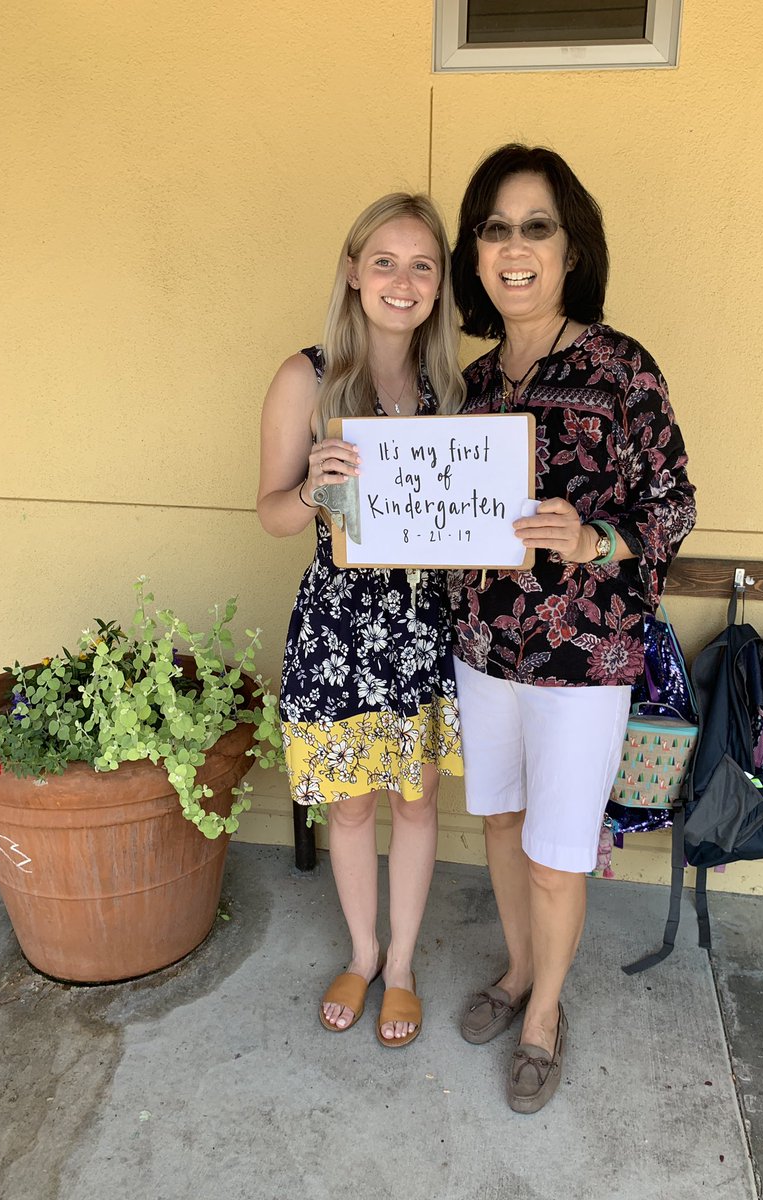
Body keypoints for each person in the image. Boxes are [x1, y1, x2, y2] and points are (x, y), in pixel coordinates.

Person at [448, 144, 696, 1111]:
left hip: (583, 661)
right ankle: (517, 972)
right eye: (495, 228)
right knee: (502, 823)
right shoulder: (471, 384)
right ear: (476, 252)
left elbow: (674, 504)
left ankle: (545, 1013)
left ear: (571, 248)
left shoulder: (621, 367)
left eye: (536, 227)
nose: (514, 248)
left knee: (556, 854)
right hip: (484, 649)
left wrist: (596, 538)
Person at [257, 193, 465, 1047]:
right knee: (349, 807)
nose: (401, 281)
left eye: (422, 265)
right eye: (384, 261)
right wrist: (313, 487)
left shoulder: (454, 389)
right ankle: (363, 952)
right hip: (341, 629)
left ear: (439, 283)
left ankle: (403, 965)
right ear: (352, 271)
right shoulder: (305, 378)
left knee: (415, 802)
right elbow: (270, 512)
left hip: (424, 625)